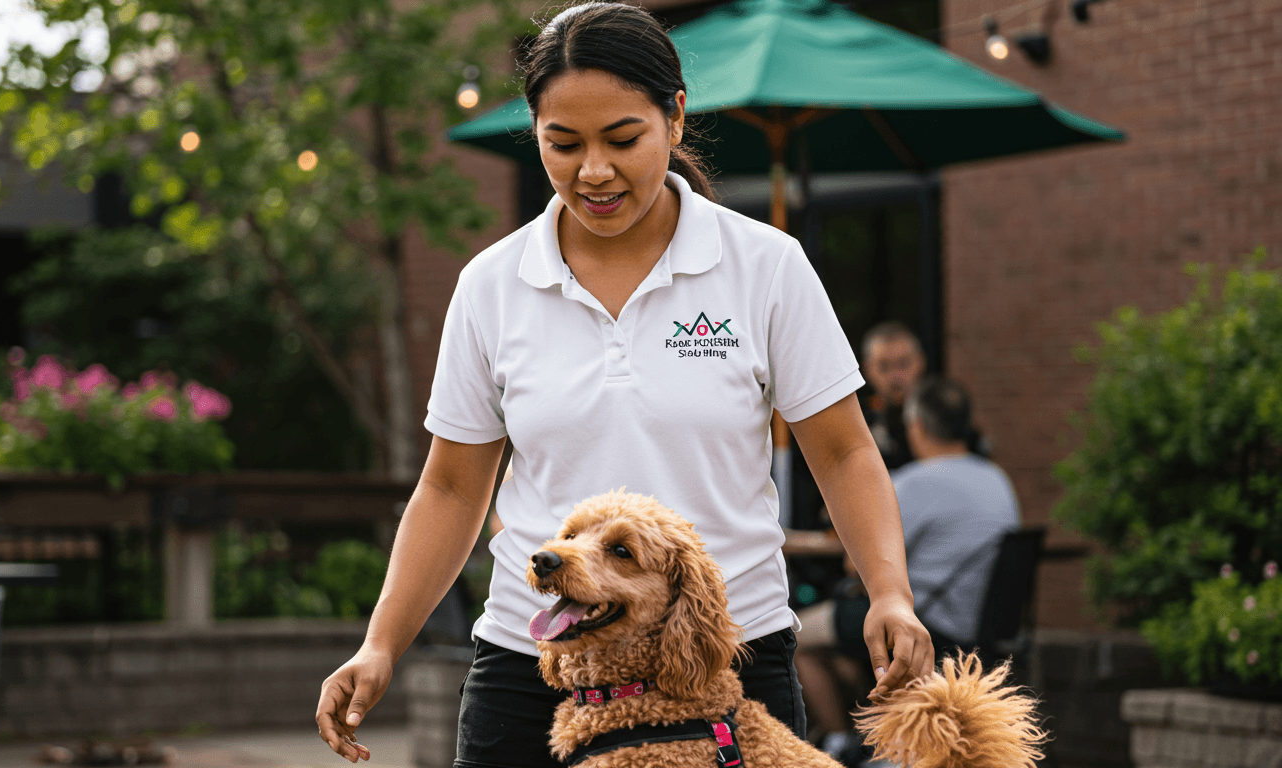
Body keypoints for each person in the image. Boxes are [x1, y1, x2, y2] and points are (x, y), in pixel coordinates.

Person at [315, 4, 933, 766]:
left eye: (622, 139)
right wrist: (381, 644)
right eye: (563, 144)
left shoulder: (765, 266)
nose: (593, 171)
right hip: (532, 665)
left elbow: (841, 453)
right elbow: (449, 490)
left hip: (721, 660)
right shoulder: (491, 285)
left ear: (674, 118)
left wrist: (889, 592)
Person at [792, 376, 1020, 765]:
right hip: (981, 627)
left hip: (922, 622)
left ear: (916, 426)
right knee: (844, 652)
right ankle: (861, 731)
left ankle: (834, 743)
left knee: (793, 634)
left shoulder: (913, 482)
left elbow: (856, 562)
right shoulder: (997, 478)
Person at [859, 321, 926, 472]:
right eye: (884, 366)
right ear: (867, 369)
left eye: (904, 364)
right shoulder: (856, 420)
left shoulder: (939, 417)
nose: (895, 376)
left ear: (920, 362)